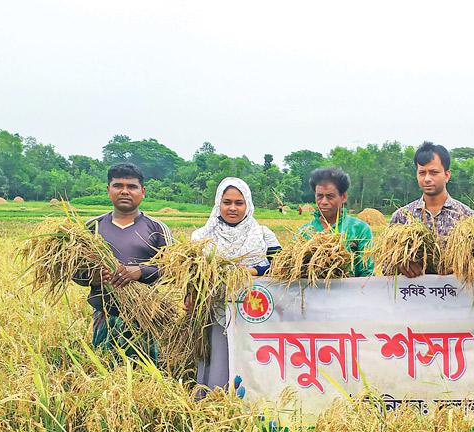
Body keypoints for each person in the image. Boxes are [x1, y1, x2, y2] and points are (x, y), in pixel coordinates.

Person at [73, 162, 172, 360]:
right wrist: (92, 278)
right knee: (104, 375)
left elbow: (173, 271)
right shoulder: (91, 228)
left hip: (145, 316)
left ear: (142, 191)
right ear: (108, 189)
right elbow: (73, 270)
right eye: (118, 186)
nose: (124, 191)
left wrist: (140, 272)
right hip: (105, 314)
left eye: (132, 187)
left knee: (145, 376)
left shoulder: (157, 228)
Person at [191, 177, 281, 394]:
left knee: (254, 362)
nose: (232, 208)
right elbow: (192, 273)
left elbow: (280, 267)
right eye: (227, 202)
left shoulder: (262, 235)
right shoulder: (202, 236)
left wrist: (250, 271)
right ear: (218, 204)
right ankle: (216, 408)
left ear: (247, 204)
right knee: (220, 362)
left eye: (239, 203)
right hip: (216, 311)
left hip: (256, 312)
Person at [389, 141, 474, 277]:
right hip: (413, 295)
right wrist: (401, 264)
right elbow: (385, 266)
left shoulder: (468, 218)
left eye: (433, 172)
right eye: (422, 173)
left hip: (456, 295)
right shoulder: (402, 217)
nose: (427, 179)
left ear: (447, 175)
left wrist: (461, 267)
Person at [298, 167, 373, 277]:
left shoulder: (359, 229)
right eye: (319, 196)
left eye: (330, 196)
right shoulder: (304, 232)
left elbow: (367, 273)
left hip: (351, 293)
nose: (323, 202)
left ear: (343, 197)